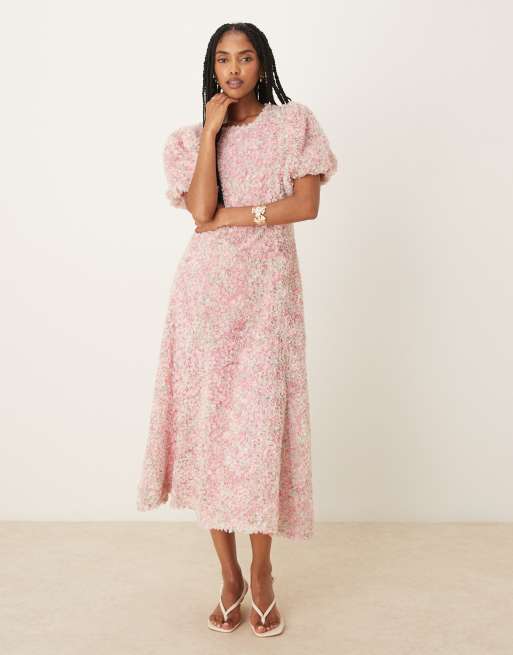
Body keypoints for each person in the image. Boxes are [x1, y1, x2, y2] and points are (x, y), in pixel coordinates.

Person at [137, 22, 338, 637]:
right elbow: (200, 211)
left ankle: (263, 572)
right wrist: (210, 134)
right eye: (223, 59)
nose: (233, 69)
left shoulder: (293, 125)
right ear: (212, 68)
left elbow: (305, 205)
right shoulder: (188, 139)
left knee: (257, 436)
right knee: (211, 438)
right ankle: (229, 579)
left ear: (262, 64)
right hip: (205, 302)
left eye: (245, 58)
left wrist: (237, 216)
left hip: (268, 302)